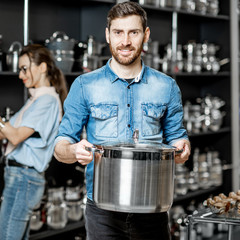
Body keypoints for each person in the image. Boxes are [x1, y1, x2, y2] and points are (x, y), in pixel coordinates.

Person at [53, 2, 191, 240]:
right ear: (108, 35)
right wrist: (74, 150)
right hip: (102, 212)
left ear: (145, 35)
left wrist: (182, 149)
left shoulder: (166, 86)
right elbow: (60, 147)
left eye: (133, 32)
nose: (125, 41)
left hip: (153, 209)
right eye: (118, 32)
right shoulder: (85, 86)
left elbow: (177, 137)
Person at [0, 44, 68, 240]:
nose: (20, 75)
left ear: (42, 67)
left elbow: (15, 137)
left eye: (25, 68)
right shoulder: (35, 100)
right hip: (20, 178)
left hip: (24, 179)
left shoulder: (47, 101)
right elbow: (4, 134)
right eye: (19, 69)